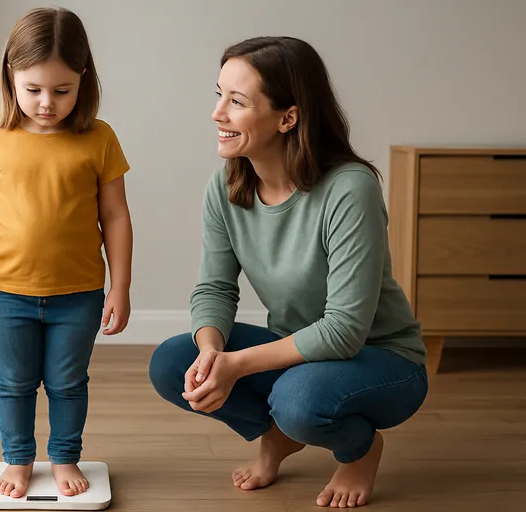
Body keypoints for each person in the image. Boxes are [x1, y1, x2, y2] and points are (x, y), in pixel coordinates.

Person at [148, 36, 428, 509]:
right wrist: (212, 352)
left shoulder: (349, 190)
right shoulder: (226, 185)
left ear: (287, 118)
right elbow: (215, 288)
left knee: (298, 402)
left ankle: (359, 449)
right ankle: (278, 436)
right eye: (218, 95)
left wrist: (237, 366)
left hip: (382, 358)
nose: (217, 113)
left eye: (237, 102)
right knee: (174, 361)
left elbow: (344, 332)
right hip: (300, 351)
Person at [0, 7, 133, 499]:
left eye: (62, 90)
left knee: (68, 382)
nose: (47, 103)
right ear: (10, 77)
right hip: (4, 292)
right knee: (13, 382)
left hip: (79, 294)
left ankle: (64, 456)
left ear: (83, 79)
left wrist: (120, 287)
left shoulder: (99, 139)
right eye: (33, 89)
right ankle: (18, 459)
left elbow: (115, 216)